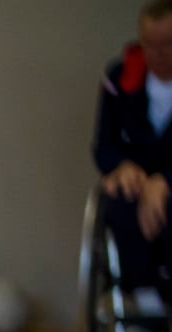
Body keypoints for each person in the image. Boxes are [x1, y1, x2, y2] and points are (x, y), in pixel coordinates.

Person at [95, 0, 172, 315]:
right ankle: (144, 296)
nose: (157, 54)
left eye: (167, 44)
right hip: (134, 185)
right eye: (149, 45)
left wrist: (165, 181)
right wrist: (121, 167)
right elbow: (103, 144)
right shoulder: (120, 77)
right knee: (120, 199)